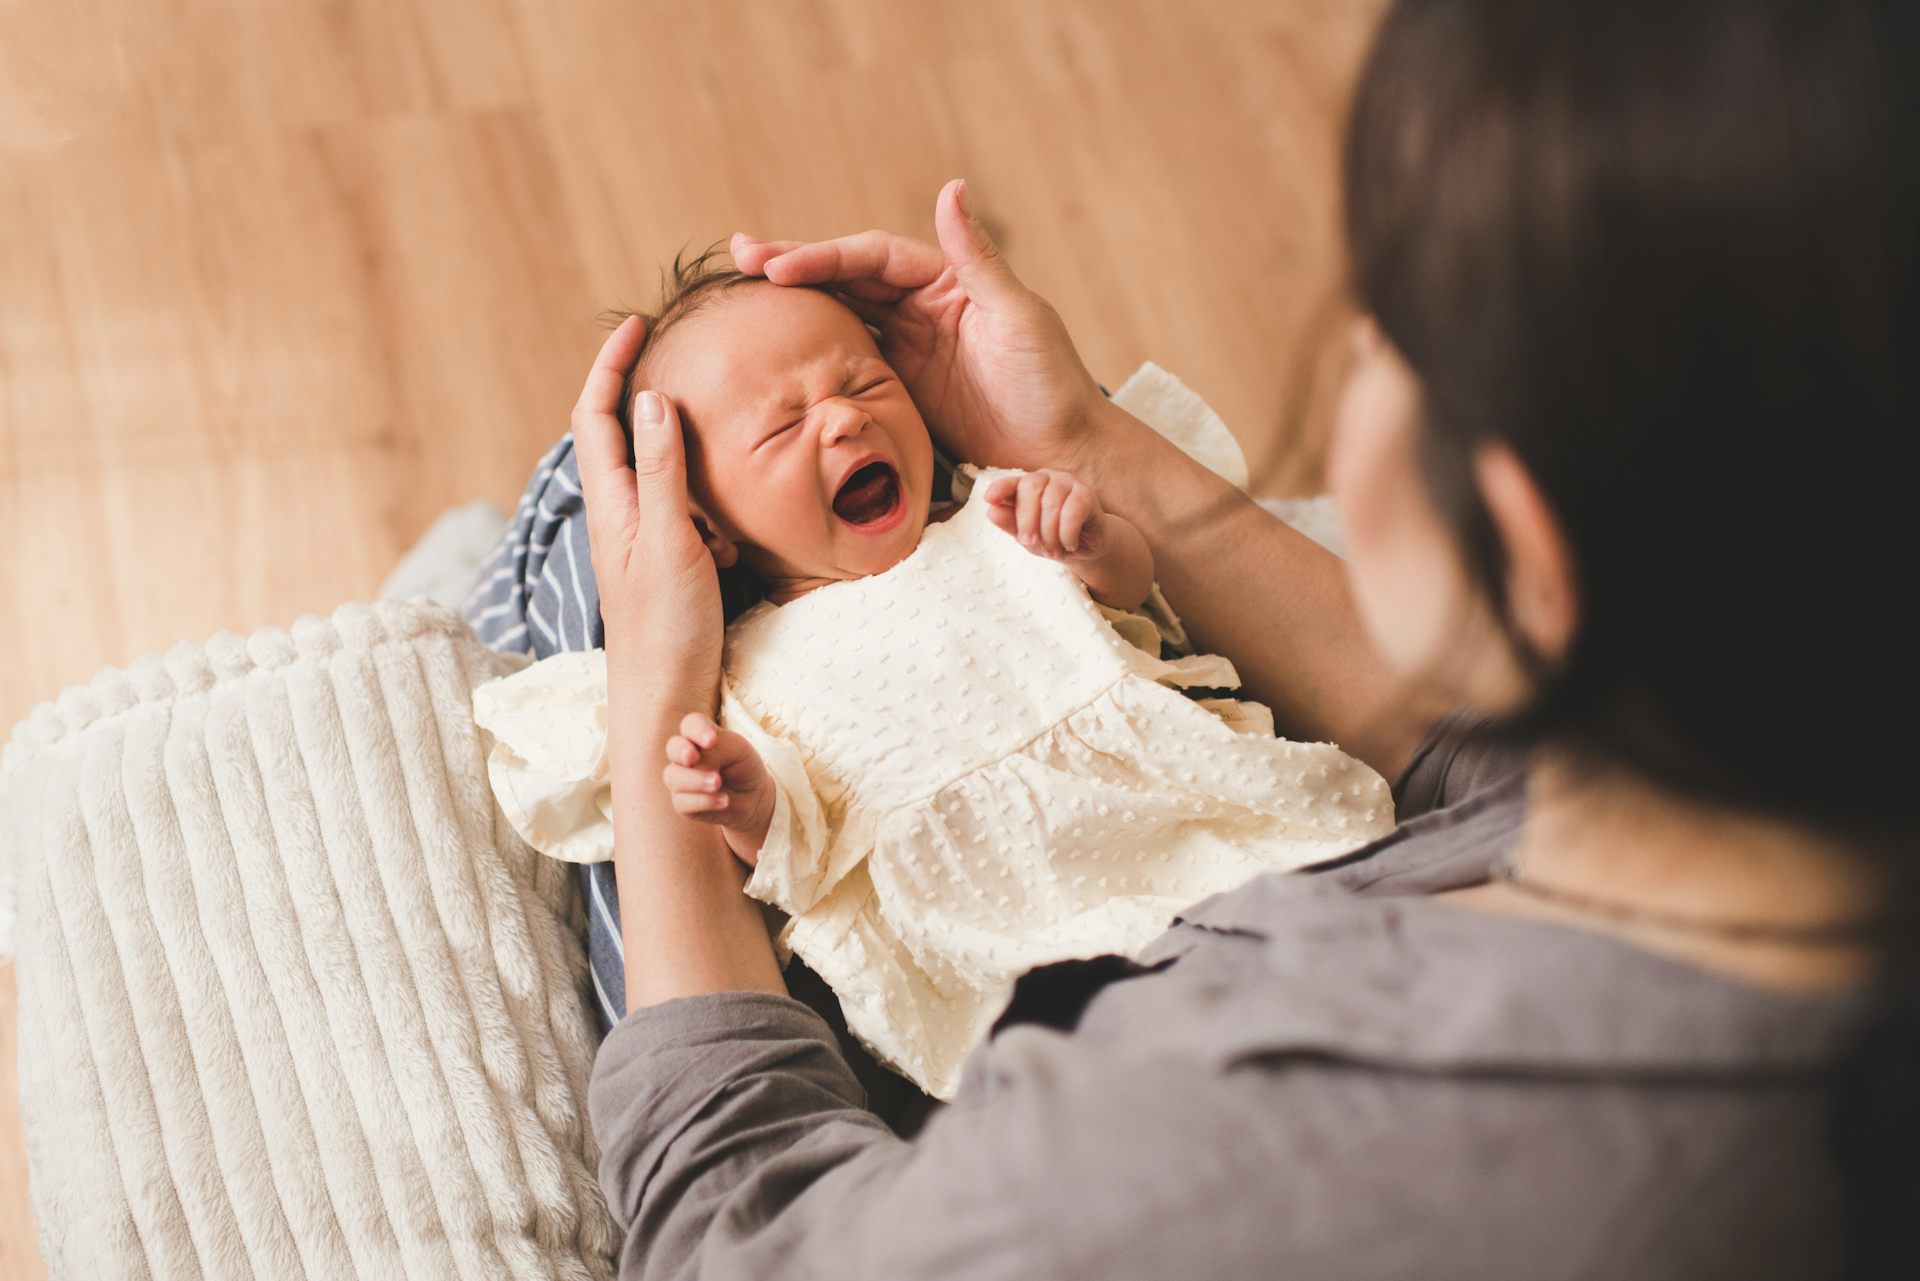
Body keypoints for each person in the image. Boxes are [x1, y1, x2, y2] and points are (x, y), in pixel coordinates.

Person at [569, 0, 1918, 1275]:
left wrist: (649, 697)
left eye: (1391, 335)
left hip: (1030, 966)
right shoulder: (1774, 844)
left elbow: (736, 1234)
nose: (848, 420)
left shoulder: (1203, 1153)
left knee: (552, 523)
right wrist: (1083, 440)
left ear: (1522, 535)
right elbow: (1506, 788)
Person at [475, 254, 1393, 1098]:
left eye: (866, 381)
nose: (843, 417)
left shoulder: (993, 514)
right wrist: (746, 799)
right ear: (707, 530)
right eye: (783, 427)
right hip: (991, 923)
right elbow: (803, 853)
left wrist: (1089, 540)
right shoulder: (742, 666)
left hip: (1178, 821)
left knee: (1322, 919)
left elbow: (1143, 621)